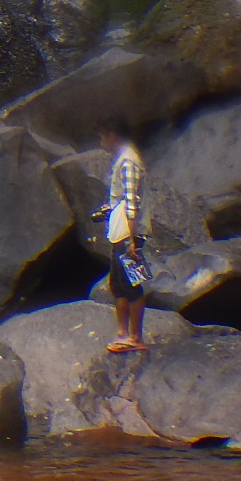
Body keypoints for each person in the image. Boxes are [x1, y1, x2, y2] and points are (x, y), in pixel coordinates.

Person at [98, 121, 150, 353]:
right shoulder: (122, 158)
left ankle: (135, 336)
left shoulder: (129, 161)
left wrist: (131, 240)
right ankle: (122, 333)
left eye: (102, 137)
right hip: (119, 231)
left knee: (131, 284)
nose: (101, 143)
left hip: (129, 235)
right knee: (117, 284)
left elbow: (132, 201)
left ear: (112, 134)